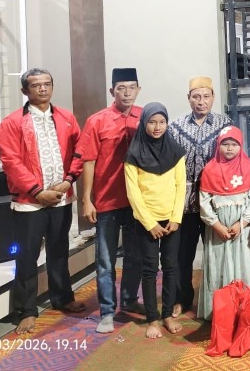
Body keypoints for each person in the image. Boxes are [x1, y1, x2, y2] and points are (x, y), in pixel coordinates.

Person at [0, 68, 85, 335]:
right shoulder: (11, 123)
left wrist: (69, 180)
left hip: (61, 198)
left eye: (47, 84)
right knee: (27, 256)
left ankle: (62, 298)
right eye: (36, 85)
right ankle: (27, 310)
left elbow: (80, 152)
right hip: (29, 201)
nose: (42, 89)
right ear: (25, 91)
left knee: (59, 250)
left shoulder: (67, 118)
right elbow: (11, 162)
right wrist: (36, 191)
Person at [74, 67, 143, 333]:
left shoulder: (145, 117)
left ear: (139, 89)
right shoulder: (97, 121)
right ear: (111, 90)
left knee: (135, 256)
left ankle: (129, 299)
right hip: (107, 201)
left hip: (137, 201)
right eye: (121, 88)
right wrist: (86, 200)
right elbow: (88, 161)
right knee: (105, 260)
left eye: (132, 87)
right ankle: (106, 311)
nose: (127, 93)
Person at [168, 76, 233, 316]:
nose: (201, 102)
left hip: (215, 201)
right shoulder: (175, 127)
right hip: (184, 202)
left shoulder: (224, 124)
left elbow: (232, 157)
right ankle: (181, 298)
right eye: (196, 97)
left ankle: (219, 300)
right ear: (188, 99)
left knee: (216, 253)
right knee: (182, 254)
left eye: (206, 96)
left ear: (213, 97)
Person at [124, 103, 186, 339]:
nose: (157, 127)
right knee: (150, 269)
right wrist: (149, 223)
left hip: (171, 220)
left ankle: (167, 314)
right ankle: (152, 318)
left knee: (171, 267)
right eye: (152, 122)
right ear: (144, 123)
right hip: (146, 221)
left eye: (162, 122)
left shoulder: (176, 151)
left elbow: (181, 186)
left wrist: (176, 218)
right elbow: (133, 193)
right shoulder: (133, 154)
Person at [197, 126, 250, 319]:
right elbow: (204, 201)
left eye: (234, 144)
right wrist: (216, 225)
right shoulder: (210, 169)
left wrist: (243, 223)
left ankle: (245, 309)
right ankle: (219, 311)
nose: (230, 148)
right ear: (218, 146)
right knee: (219, 264)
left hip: (242, 229)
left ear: (241, 146)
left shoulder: (249, 168)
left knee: (244, 264)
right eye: (225, 144)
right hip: (219, 229)